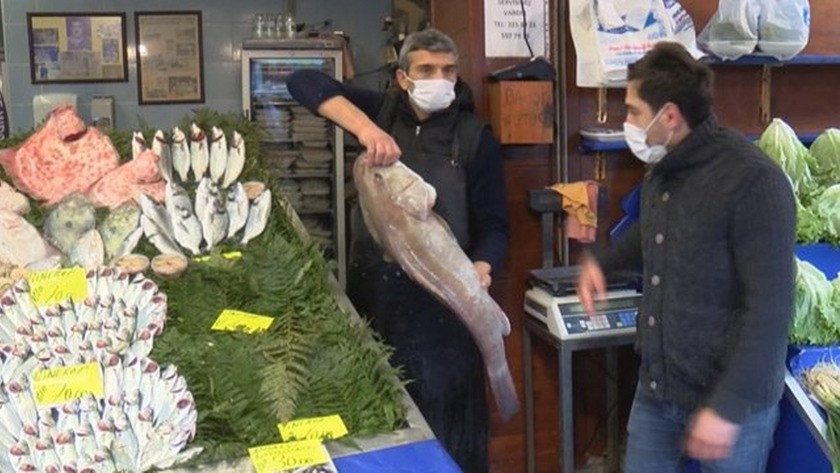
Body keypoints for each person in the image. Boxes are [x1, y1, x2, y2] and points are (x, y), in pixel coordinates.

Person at [288, 28, 509, 472]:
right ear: (403, 78)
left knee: (450, 436)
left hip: (446, 313)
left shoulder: (475, 135)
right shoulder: (381, 111)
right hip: (377, 301)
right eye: (426, 70)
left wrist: (483, 266)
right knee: (383, 428)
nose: (439, 79)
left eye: (448, 71)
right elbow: (303, 80)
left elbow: (495, 225)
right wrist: (366, 130)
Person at [576, 41, 795, 472]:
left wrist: (726, 408)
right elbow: (652, 231)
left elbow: (770, 310)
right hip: (658, 393)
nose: (628, 123)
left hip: (733, 408)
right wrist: (600, 264)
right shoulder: (664, 168)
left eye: (633, 111)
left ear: (670, 117)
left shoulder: (755, 183)